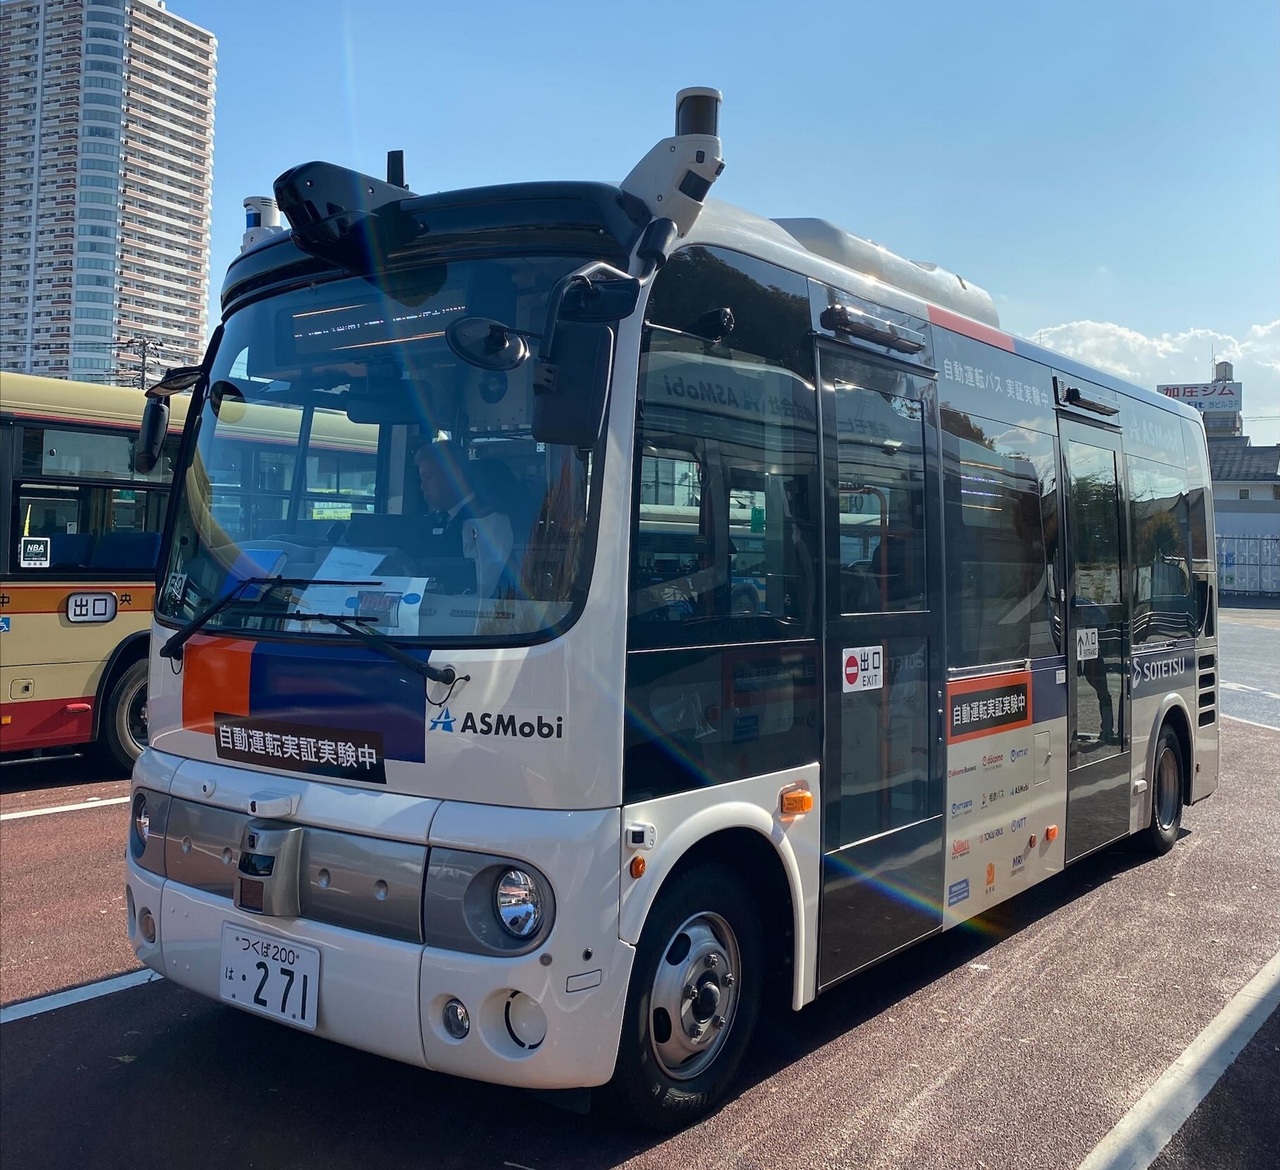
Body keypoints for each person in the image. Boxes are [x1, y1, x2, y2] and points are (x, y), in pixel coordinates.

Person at [412, 438, 513, 595]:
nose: (422, 486)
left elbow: (478, 589)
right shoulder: (431, 522)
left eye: (429, 477)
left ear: (455, 476)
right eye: (422, 479)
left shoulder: (488, 522)